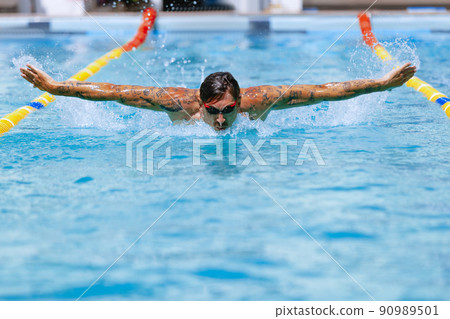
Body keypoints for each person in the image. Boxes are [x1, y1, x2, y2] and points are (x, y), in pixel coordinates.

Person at [20, 63, 416, 131]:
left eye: (230, 110)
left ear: (242, 102)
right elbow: (115, 93)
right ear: (201, 104)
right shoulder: (181, 104)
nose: (222, 120)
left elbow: (326, 92)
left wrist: (384, 83)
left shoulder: (260, 100)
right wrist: (55, 88)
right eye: (214, 112)